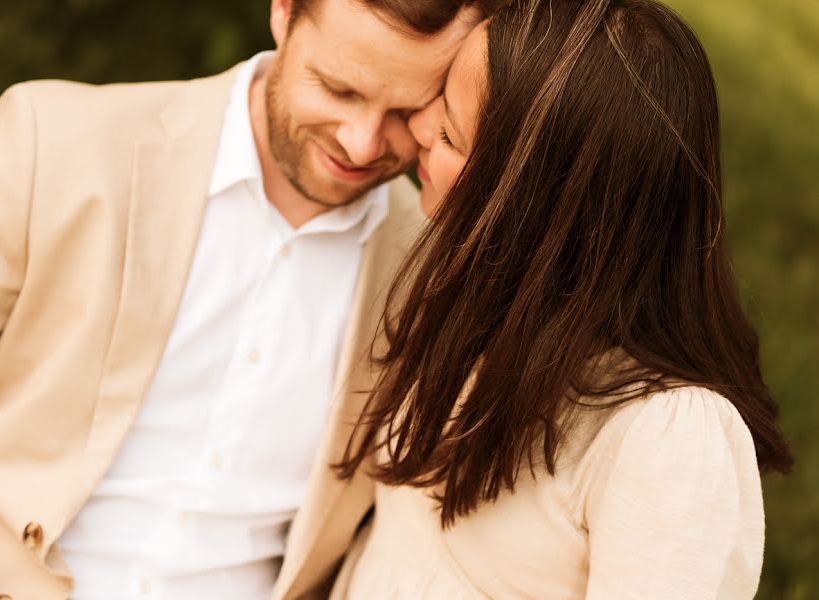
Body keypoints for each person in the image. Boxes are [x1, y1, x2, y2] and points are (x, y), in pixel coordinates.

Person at [0, 1, 502, 598]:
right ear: (282, 13)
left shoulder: (436, 272)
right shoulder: (55, 139)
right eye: (338, 89)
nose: (361, 144)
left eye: (407, 111)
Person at [330, 1, 794, 598]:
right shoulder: (468, 296)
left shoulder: (663, 441)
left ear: (529, 214)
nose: (418, 129)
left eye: (449, 133)